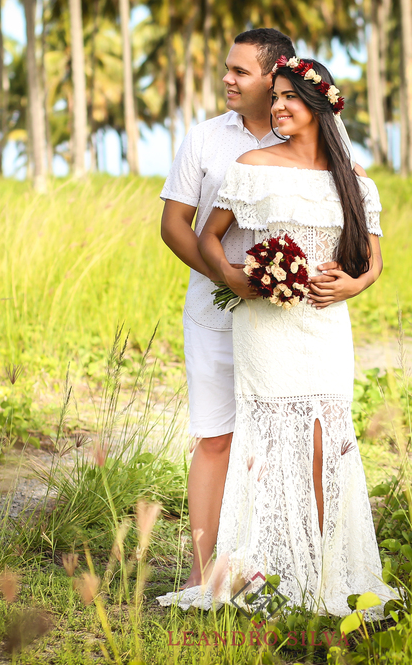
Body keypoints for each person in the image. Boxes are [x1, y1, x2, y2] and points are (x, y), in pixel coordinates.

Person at [158, 56, 397, 617]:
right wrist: (237, 279)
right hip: (264, 326)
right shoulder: (251, 165)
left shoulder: (353, 181)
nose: (280, 105)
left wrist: (351, 285)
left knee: (322, 441)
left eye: (291, 97)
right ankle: (261, 568)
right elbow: (210, 237)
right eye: (277, 96)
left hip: (325, 327)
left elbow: (373, 261)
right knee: (264, 445)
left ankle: (318, 572)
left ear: (319, 107)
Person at [159, 28, 294, 590]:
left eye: (240, 71)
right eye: (227, 69)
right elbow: (173, 225)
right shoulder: (204, 140)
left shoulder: (312, 137)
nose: (227, 80)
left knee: (275, 441)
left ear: (274, 76)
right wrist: (228, 278)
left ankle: (268, 568)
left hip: (283, 317)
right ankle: (201, 575)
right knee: (215, 438)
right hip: (212, 310)